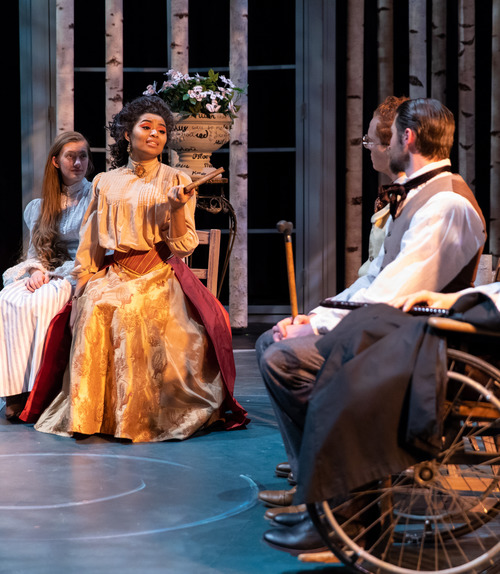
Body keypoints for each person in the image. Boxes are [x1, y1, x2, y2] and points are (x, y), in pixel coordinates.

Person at [257, 97, 487, 554]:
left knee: (286, 360)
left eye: (389, 136)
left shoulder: (445, 204)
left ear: (408, 138)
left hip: (418, 344)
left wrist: (319, 330)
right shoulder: (417, 195)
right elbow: (376, 279)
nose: (378, 145)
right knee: (272, 341)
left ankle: (343, 508)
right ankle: (316, 489)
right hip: (392, 331)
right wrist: (313, 318)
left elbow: (396, 293)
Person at [33, 95, 248, 443]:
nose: (154, 134)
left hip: (157, 273)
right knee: (94, 306)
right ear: (126, 134)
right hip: (115, 271)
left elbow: (184, 246)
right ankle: (90, 416)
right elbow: (91, 238)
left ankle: (134, 420)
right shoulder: (105, 182)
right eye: (146, 127)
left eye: (161, 130)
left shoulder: (176, 179)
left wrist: (176, 209)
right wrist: (83, 280)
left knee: (128, 312)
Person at [0, 131, 93, 420]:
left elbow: (91, 251)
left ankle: (37, 391)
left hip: (79, 271)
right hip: (49, 270)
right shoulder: (39, 206)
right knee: (9, 297)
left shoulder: (95, 198)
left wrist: (55, 275)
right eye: (70, 156)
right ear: (56, 161)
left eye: (83, 157)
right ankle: (14, 391)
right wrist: (36, 271)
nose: (77, 163)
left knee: (43, 302)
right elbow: (35, 253)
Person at [358, 95, 408, 277]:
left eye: (371, 141)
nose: (368, 147)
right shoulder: (392, 194)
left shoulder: (410, 198)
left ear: (390, 146)